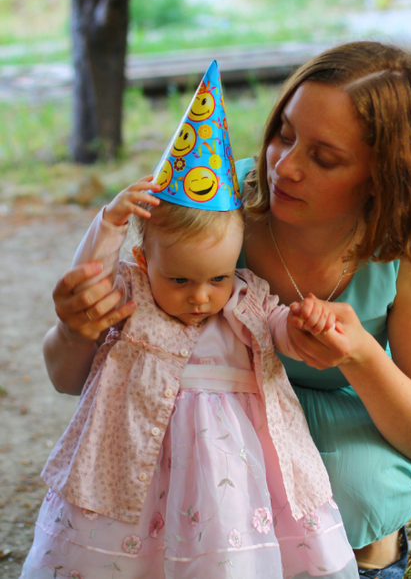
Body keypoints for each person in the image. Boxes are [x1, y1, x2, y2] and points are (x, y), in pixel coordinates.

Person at [49, 42, 411, 578]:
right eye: (284, 134)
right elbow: (70, 379)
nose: (284, 167)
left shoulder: (408, 244)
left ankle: (371, 559)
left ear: (386, 177)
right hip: (200, 482)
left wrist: (361, 356)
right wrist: (75, 330)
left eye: (324, 157)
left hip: (344, 517)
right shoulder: (212, 212)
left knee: (355, 483)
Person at [22, 63, 359, 579]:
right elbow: (87, 281)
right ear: (144, 260)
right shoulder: (133, 294)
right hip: (133, 467)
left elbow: (278, 332)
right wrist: (110, 222)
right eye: (179, 279)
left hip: (230, 478)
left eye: (216, 277)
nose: (201, 297)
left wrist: (302, 327)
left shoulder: (245, 297)